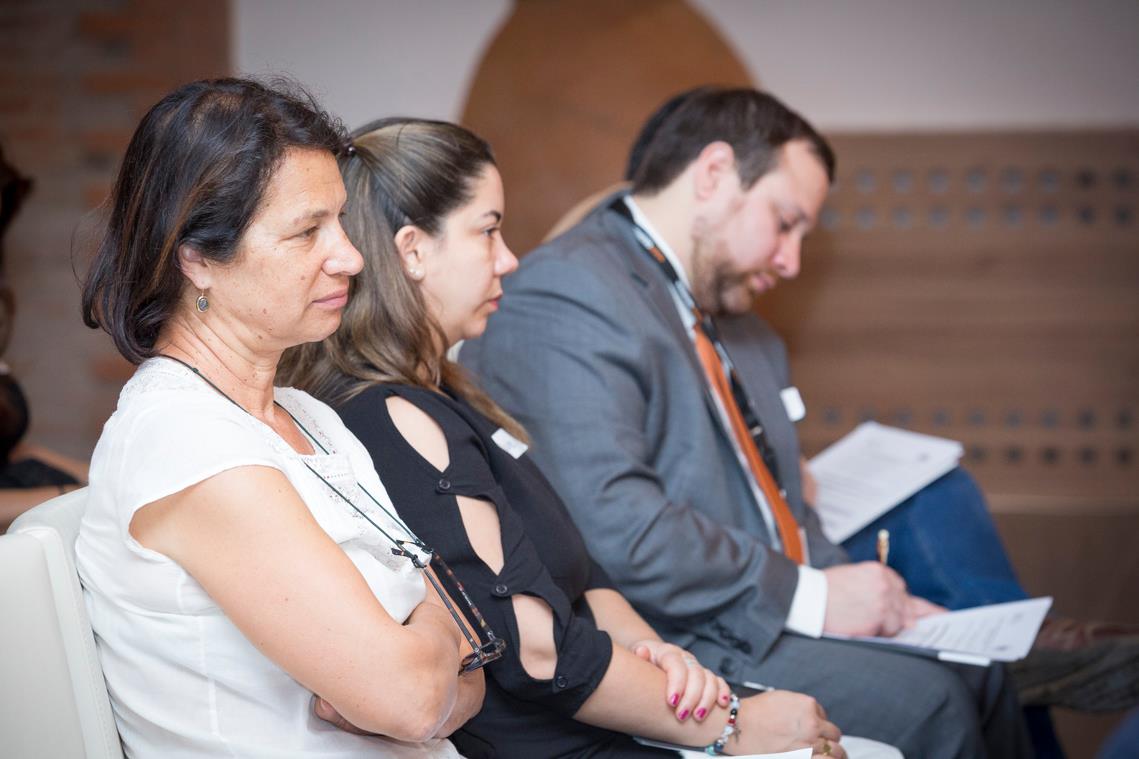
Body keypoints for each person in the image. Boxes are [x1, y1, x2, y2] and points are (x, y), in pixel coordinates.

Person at [461, 86, 1034, 758]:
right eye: (785, 222)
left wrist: (879, 604)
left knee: (984, 674)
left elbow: (783, 505)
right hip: (674, 636)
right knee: (933, 704)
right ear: (712, 175)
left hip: (755, 608)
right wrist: (814, 597)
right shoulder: (566, 291)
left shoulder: (745, 328)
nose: (791, 261)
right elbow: (616, 527)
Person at [279, 118, 875, 759]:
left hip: (604, 713)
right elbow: (536, 652)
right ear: (414, 251)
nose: (509, 259)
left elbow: (583, 573)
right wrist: (728, 724)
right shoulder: (393, 417)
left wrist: (662, 658)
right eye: (488, 230)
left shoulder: (448, 396)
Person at [75, 79, 485, 757]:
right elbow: (414, 699)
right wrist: (446, 638)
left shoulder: (307, 415)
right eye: (306, 231)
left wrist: (435, 651)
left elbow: (456, 676)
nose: (351, 256)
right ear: (197, 258)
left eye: (340, 221)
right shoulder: (183, 440)